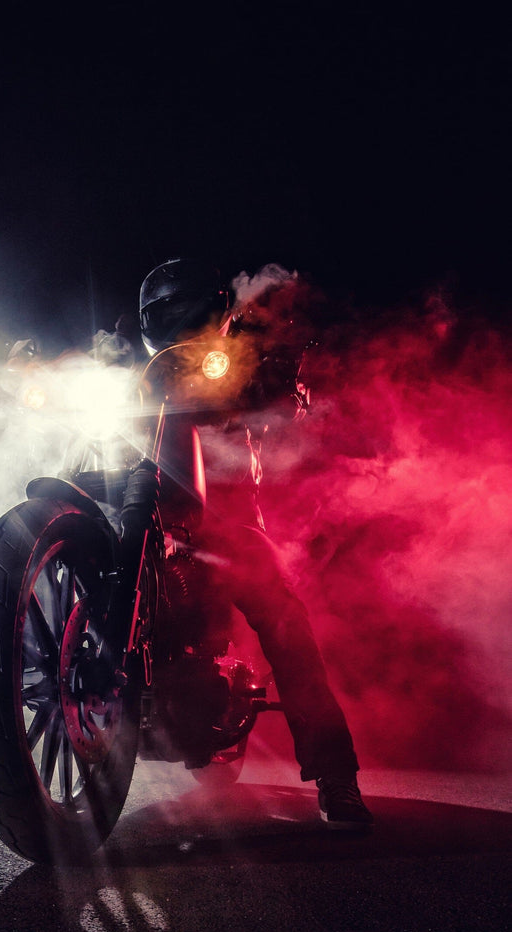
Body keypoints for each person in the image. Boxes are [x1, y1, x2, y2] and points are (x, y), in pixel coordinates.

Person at [134, 257, 373, 830]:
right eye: (165, 312)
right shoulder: (130, 374)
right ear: (147, 321)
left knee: (286, 625)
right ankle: (10, 734)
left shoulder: (239, 359)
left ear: (217, 313)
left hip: (226, 524)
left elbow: (286, 399)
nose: (178, 321)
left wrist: (281, 374)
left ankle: (337, 777)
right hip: (140, 523)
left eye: (191, 309)